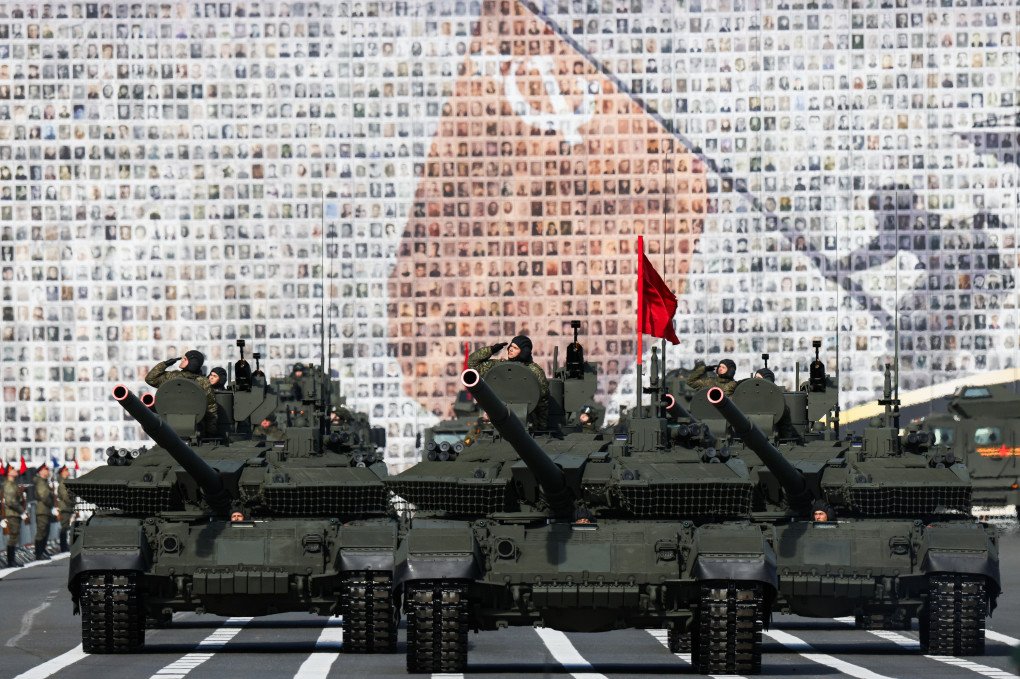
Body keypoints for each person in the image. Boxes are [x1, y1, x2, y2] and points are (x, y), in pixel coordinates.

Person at [468, 334, 549, 430]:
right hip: (498, 420)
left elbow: (543, 399)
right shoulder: (499, 366)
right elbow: (472, 363)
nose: (510, 349)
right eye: (511, 346)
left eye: (515, 348)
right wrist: (491, 350)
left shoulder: (535, 371)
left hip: (527, 422)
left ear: (524, 351)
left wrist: (542, 425)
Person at [145, 350, 219, 434]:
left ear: (192, 362)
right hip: (195, 427)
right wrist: (211, 432)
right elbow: (211, 408)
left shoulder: (172, 377)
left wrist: (165, 364)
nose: (182, 360)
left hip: (177, 427)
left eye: (185, 359)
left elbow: (150, 379)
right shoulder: (203, 382)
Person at [2, 465, 26, 567]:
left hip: (15, 513)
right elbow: (11, 502)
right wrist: (22, 511)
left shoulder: (13, 484)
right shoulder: (9, 485)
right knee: (13, 536)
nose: (15, 470)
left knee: (14, 536)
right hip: (12, 513)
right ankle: (10, 561)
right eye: (12, 469)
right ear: (8, 472)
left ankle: (11, 560)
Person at [33, 464, 54, 560]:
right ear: (41, 471)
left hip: (46, 510)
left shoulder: (44, 482)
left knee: (45, 532)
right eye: (46, 469)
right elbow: (44, 496)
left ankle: (41, 551)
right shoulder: (41, 482)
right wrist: (51, 504)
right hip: (42, 510)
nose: (48, 471)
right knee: (41, 532)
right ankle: (39, 553)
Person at [56, 465, 75, 552]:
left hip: (67, 507)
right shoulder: (63, 483)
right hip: (65, 508)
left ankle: (64, 546)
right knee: (64, 527)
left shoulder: (66, 482)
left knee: (65, 527)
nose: (68, 472)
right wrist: (72, 504)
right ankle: (63, 547)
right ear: (62, 472)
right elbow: (65, 496)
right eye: (66, 470)